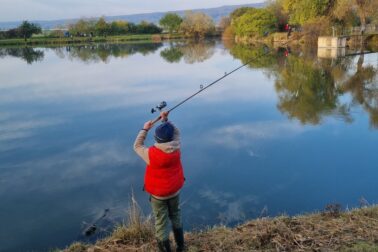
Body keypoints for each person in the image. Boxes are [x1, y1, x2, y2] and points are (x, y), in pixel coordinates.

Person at [133, 111, 185, 252]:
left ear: (156, 139)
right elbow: (175, 132)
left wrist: (145, 129)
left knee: (161, 222)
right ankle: (181, 246)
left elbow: (137, 145)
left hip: (158, 196)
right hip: (174, 191)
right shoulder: (177, 146)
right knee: (175, 215)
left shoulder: (151, 154)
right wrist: (166, 120)